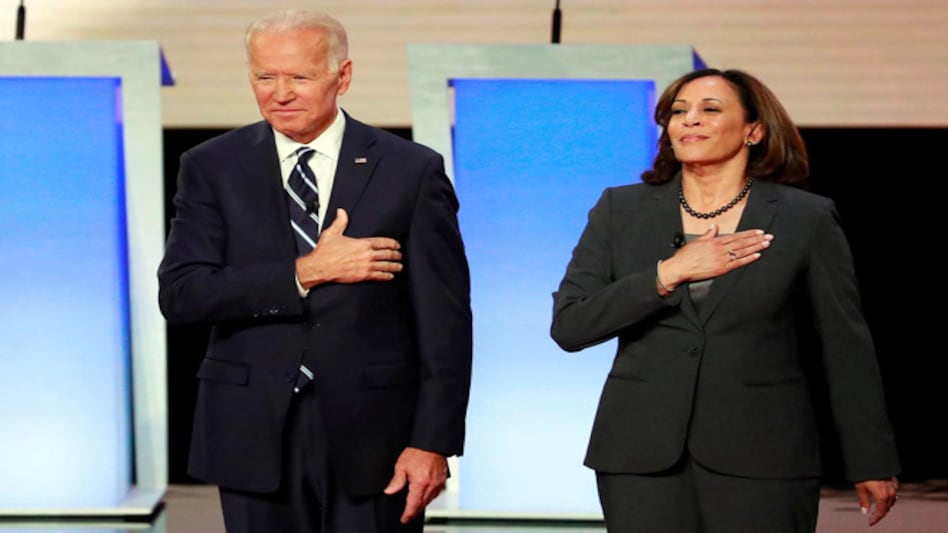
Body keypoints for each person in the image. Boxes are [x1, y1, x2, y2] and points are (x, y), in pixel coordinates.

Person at [157, 9, 472, 533]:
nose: (280, 93)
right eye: (265, 76)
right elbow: (183, 294)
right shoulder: (212, 166)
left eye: (300, 77)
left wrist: (433, 439)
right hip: (251, 427)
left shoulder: (410, 170)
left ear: (342, 76)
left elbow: (445, 320)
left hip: (379, 436)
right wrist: (306, 271)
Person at [550, 68, 900, 533]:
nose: (688, 121)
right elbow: (571, 325)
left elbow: (845, 345)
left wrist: (870, 458)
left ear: (754, 130)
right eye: (678, 112)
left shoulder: (804, 218)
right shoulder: (620, 209)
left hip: (763, 456)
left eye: (709, 110)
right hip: (640, 456)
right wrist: (669, 272)